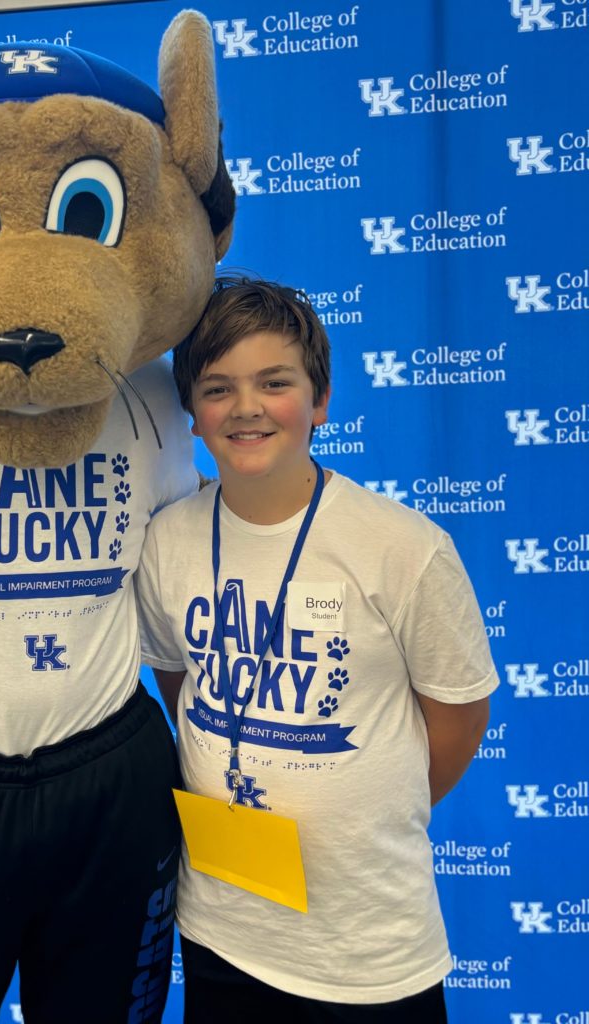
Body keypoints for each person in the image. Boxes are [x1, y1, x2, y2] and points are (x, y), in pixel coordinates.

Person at [134, 277, 498, 1023]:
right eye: (217, 388)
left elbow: (456, 726)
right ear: (192, 416)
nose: (247, 408)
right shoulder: (166, 541)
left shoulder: (403, 549)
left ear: (319, 399)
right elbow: (181, 684)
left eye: (275, 383)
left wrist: (369, 806)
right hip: (221, 931)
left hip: (368, 946)